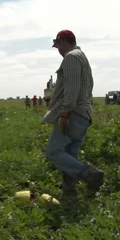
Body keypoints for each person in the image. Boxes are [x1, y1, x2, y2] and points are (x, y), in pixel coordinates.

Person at [41, 29, 104, 200]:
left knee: (53, 152)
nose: (58, 51)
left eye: (58, 46)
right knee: (69, 155)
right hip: (83, 114)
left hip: (74, 113)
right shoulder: (81, 56)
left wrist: (65, 111)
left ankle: (90, 174)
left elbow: (72, 87)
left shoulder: (71, 57)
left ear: (63, 42)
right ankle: (69, 191)